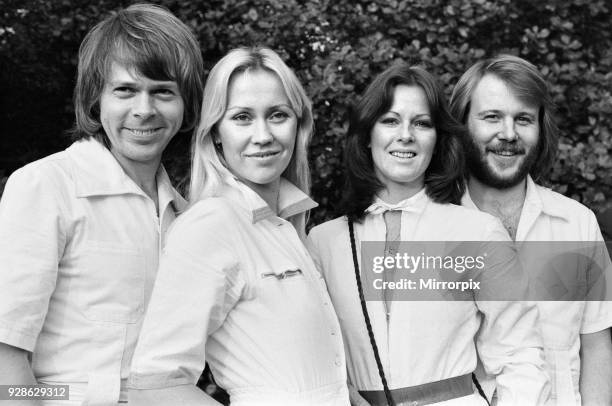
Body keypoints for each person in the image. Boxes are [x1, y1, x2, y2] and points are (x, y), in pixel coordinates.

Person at [307, 62, 549, 406]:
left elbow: (521, 354)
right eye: (390, 120)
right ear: (367, 135)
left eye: (421, 123)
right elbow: (314, 356)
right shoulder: (323, 241)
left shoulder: (477, 232)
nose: (405, 134)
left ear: (438, 140)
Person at [0, 4, 204, 405]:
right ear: (97, 97)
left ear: (187, 105)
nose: (144, 110)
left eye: (163, 91)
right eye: (125, 90)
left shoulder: (189, 215)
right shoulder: (46, 186)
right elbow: (5, 355)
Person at [129, 47, 349, 406]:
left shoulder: (292, 229)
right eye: (242, 117)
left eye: (277, 115)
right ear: (215, 132)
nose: (263, 135)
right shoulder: (211, 224)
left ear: (299, 124)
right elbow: (153, 385)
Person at [450, 54, 612, 405]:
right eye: (491, 116)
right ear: (461, 124)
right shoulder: (432, 229)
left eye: (523, 119)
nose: (508, 134)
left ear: (540, 129)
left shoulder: (577, 224)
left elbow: (596, 343)